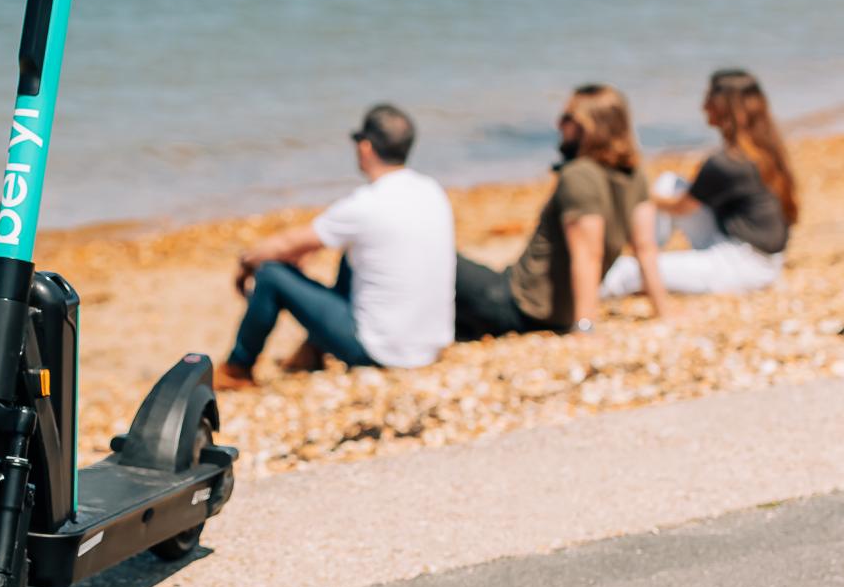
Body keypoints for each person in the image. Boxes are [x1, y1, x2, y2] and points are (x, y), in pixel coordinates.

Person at [218, 103, 455, 388]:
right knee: (353, 256)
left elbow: (284, 244)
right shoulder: (431, 190)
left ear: (365, 147)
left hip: (382, 350)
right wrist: (304, 251)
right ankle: (311, 352)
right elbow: (313, 242)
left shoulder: (367, 204)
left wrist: (246, 262)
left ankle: (237, 368)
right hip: (431, 344)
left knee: (270, 275)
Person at [455, 83, 667, 339]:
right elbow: (645, 249)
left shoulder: (579, 175)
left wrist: (584, 326)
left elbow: (588, 254)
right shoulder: (635, 176)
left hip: (518, 307)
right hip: (546, 311)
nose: (558, 124)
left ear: (589, 127)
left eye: (568, 118)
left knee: (439, 255)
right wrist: (663, 312)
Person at [603, 69, 796, 298]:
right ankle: (648, 254)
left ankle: (638, 266)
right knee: (669, 183)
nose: (703, 107)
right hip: (762, 255)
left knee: (628, 271)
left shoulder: (726, 163)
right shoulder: (766, 151)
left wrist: (636, 191)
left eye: (708, 99)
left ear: (723, 107)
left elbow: (679, 207)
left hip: (742, 265)